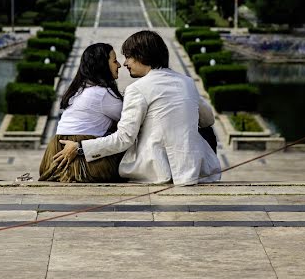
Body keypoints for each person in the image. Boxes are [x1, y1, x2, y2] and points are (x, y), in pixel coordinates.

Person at [51, 30, 221, 185]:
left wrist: (80, 147)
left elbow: (124, 138)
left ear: (141, 56)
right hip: (194, 169)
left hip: (157, 171)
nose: (124, 63)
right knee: (204, 130)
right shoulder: (187, 82)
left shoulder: (138, 88)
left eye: (128, 57)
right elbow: (208, 119)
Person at [38, 43, 124, 183]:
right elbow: (130, 122)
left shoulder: (77, 91)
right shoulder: (102, 93)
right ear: (102, 65)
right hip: (82, 165)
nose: (119, 65)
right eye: (114, 61)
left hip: (52, 159)